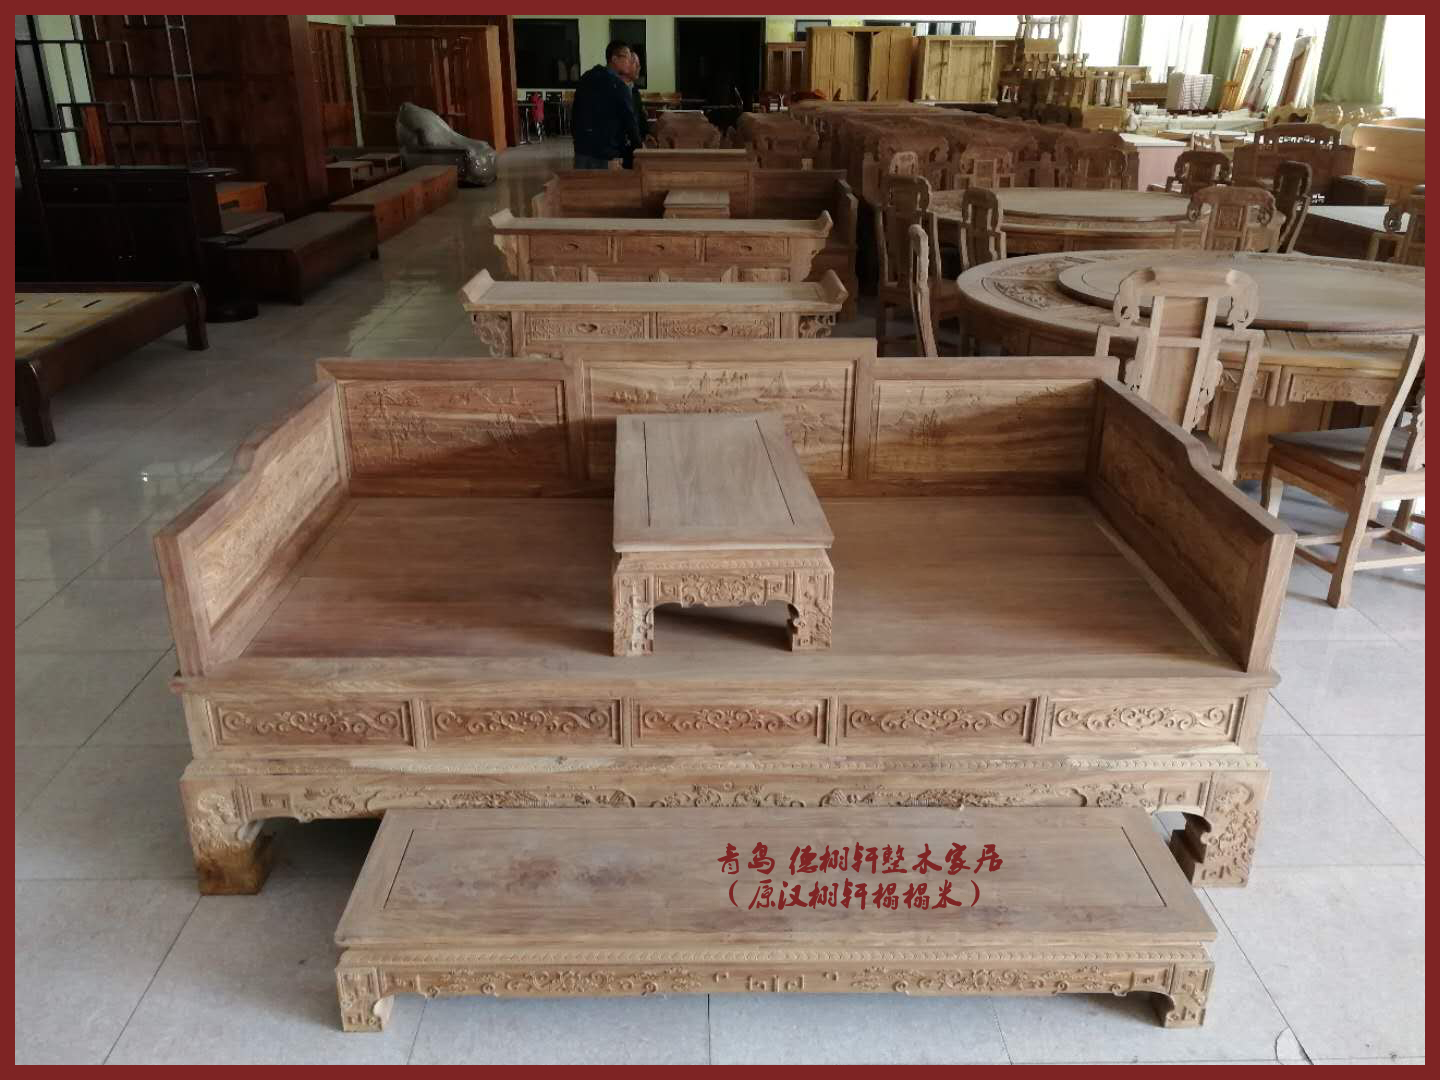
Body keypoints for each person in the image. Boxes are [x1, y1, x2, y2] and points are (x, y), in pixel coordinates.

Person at [571, 40, 642, 170]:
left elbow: (575, 115)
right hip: (606, 156)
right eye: (627, 57)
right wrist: (640, 150)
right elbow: (630, 122)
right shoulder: (618, 86)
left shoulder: (586, 77)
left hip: (582, 151)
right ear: (614, 59)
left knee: (582, 182)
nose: (630, 61)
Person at [621, 50, 649, 168]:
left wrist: (647, 134)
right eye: (636, 64)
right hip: (621, 148)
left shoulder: (634, 90)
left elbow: (640, 116)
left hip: (635, 146)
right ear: (626, 65)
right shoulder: (617, 89)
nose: (639, 68)